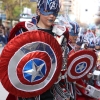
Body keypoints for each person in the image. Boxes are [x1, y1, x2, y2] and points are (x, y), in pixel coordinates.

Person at [6, 0, 72, 100]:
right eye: (47, 11)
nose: (51, 16)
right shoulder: (25, 31)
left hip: (51, 88)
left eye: (55, 12)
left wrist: (64, 91)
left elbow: (63, 67)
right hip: (27, 86)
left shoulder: (60, 35)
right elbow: (13, 60)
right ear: (38, 11)